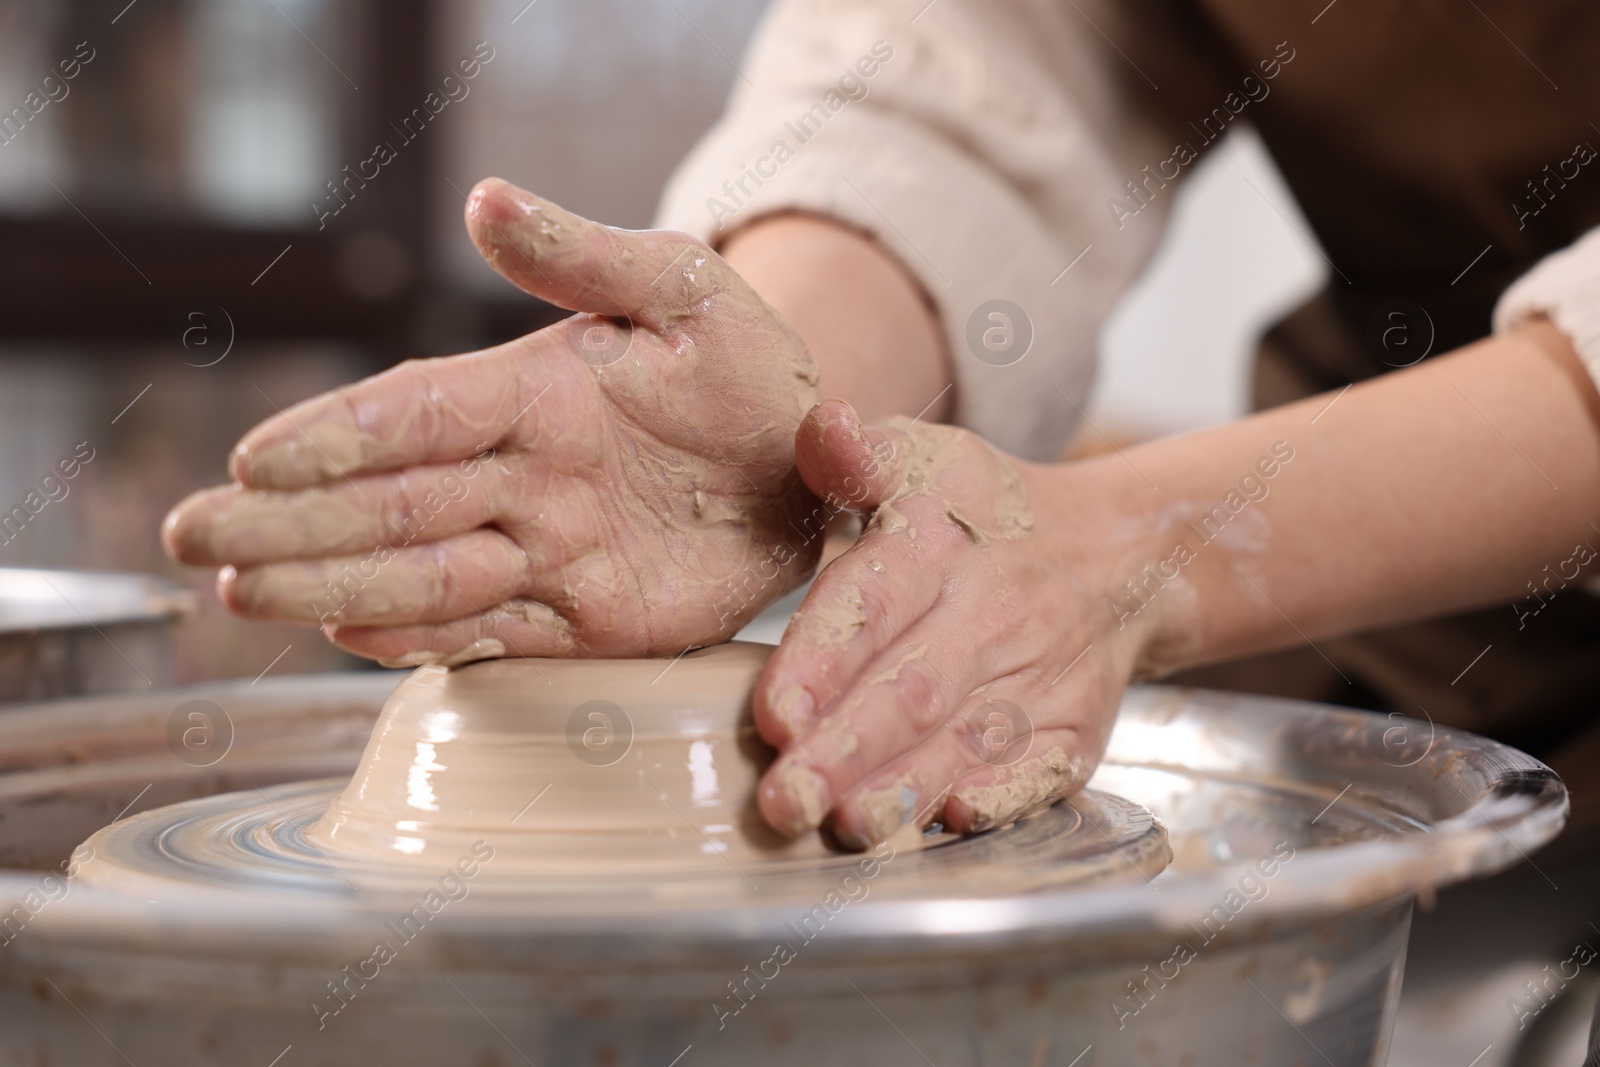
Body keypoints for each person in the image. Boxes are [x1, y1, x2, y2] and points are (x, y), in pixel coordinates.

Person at [164, 0, 1600, 848]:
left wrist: (1145, 551)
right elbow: (992, 50)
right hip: (1424, 649)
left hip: (1382, 511)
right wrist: (792, 389)